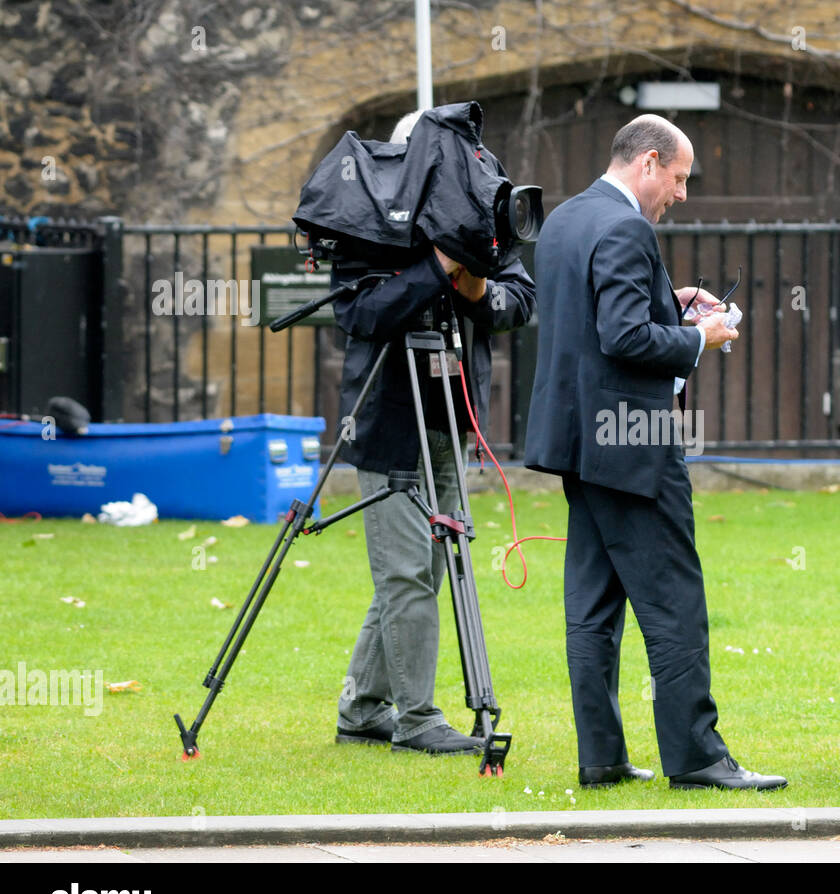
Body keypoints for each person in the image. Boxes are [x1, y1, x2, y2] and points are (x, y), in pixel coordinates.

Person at [524, 115, 786, 791]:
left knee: (592, 604)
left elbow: (590, 318)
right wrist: (703, 338)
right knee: (672, 598)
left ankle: (602, 756)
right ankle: (697, 756)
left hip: (578, 443)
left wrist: (672, 303)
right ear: (648, 162)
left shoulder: (565, 220)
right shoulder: (627, 226)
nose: (682, 193)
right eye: (679, 177)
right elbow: (623, 337)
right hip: (633, 445)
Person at [332, 110, 536, 756]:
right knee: (405, 573)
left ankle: (363, 707)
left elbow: (518, 301)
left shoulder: (478, 212)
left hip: (451, 416)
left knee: (422, 567)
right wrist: (434, 264)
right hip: (390, 419)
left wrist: (473, 284)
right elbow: (360, 311)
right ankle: (416, 717)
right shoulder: (365, 217)